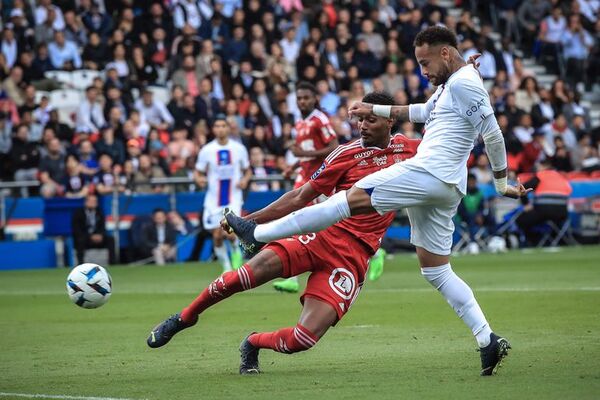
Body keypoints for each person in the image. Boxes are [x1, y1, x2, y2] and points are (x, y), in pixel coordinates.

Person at [226, 27, 531, 376]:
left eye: (425, 62)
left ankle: (256, 233)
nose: (422, 71)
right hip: (448, 186)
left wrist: (501, 182)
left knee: (343, 201)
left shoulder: (463, 83)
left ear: (445, 54)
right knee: (436, 269)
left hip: (431, 172)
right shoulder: (453, 84)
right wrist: (371, 107)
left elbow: (492, 132)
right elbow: (418, 112)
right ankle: (486, 339)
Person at [146, 92, 420, 375]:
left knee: (303, 339)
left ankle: (252, 342)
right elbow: (300, 196)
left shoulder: (413, 149)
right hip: (322, 236)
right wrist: (248, 221)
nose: (362, 125)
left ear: (391, 121)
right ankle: (186, 316)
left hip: (352, 258)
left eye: (370, 119)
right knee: (246, 275)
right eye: (360, 119)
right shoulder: (346, 154)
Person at [274, 81, 339, 294]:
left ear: (314, 99)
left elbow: (334, 147)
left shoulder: (319, 119)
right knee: (298, 217)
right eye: (299, 98)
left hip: (321, 177)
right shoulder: (300, 122)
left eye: (306, 98)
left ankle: (375, 254)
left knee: (332, 220)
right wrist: (293, 166)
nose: (302, 101)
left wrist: (303, 156)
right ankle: (292, 278)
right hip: (305, 177)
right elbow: (306, 152)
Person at [194, 115, 250, 273]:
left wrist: (245, 180)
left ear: (228, 127)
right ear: (213, 129)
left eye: (223, 126)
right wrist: (199, 180)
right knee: (217, 236)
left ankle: (236, 256)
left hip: (233, 198)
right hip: (213, 199)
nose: (220, 129)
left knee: (230, 232)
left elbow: (247, 171)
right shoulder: (207, 150)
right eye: (217, 126)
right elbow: (197, 172)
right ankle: (226, 268)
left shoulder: (238, 149)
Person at [516, 159, 572, 245]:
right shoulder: (561, 176)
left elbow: (523, 188)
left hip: (543, 211)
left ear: (544, 166)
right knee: (553, 224)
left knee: (521, 220)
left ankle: (531, 242)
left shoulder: (541, 175)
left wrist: (526, 204)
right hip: (562, 213)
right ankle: (556, 242)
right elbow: (569, 191)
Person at [71, 194, 116, 265]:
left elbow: (103, 227)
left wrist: (100, 235)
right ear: (86, 202)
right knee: (80, 241)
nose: (94, 203)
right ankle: (80, 265)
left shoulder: (99, 212)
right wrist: (90, 236)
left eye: (95, 201)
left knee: (111, 239)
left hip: (98, 237)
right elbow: (77, 229)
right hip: (85, 237)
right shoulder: (79, 213)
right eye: (91, 201)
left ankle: (113, 264)